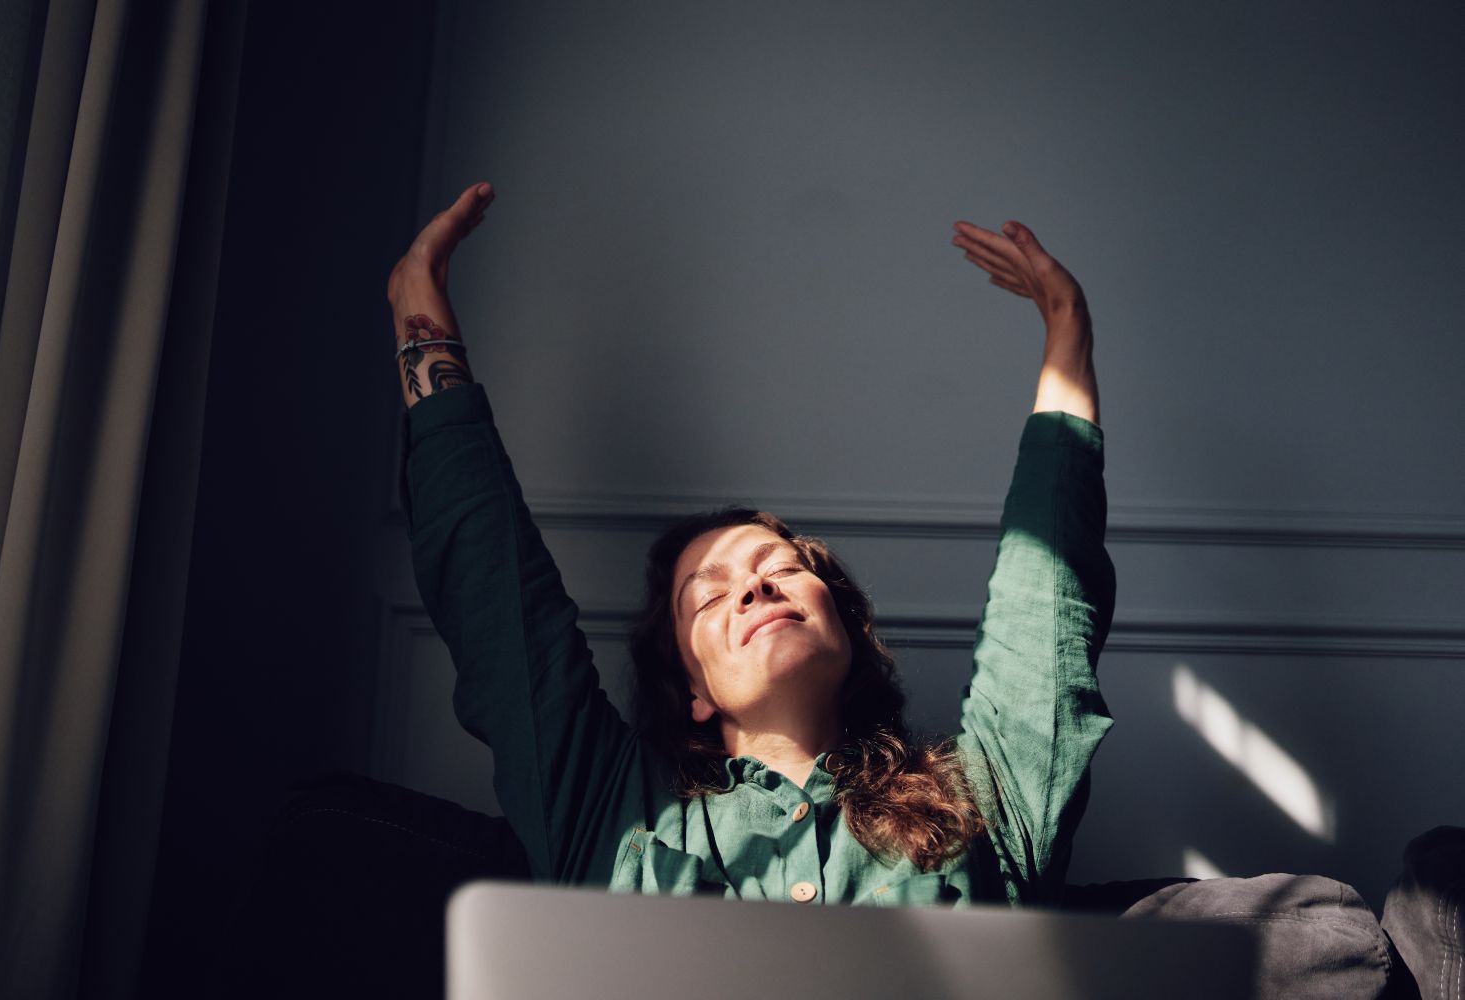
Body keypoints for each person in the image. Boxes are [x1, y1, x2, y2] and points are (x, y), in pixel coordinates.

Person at [386, 182, 1449, 996]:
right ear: (692, 688)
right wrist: (421, 326)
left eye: (779, 565)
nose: (754, 583)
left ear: (846, 625)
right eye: (709, 594)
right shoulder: (605, 811)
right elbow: (495, 595)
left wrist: (1067, 338)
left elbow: (1049, 609)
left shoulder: (983, 806)